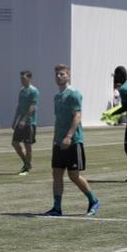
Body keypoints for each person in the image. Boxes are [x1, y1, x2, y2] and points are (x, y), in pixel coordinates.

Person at [43, 64, 100, 217]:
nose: (59, 76)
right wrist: (56, 140)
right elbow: (59, 120)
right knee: (56, 174)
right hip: (58, 143)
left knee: (74, 176)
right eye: (56, 74)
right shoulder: (57, 97)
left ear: (68, 75)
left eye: (62, 74)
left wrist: (68, 136)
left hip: (73, 142)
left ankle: (93, 200)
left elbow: (77, 116)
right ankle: (56, 208)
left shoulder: (74, 94)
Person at [11, 70, 39, 175]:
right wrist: (15, 120)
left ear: (29, 78)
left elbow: (32, 106)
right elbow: (19, 106)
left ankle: (26, 168)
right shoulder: (22, 91)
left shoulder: (34, 91)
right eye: (21, 78)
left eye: (24, 78)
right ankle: (26, 162)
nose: (22, 80)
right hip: (21, 122)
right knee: (14, 143)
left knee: (28, 146)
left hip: (29, 123)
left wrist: (24, 119)